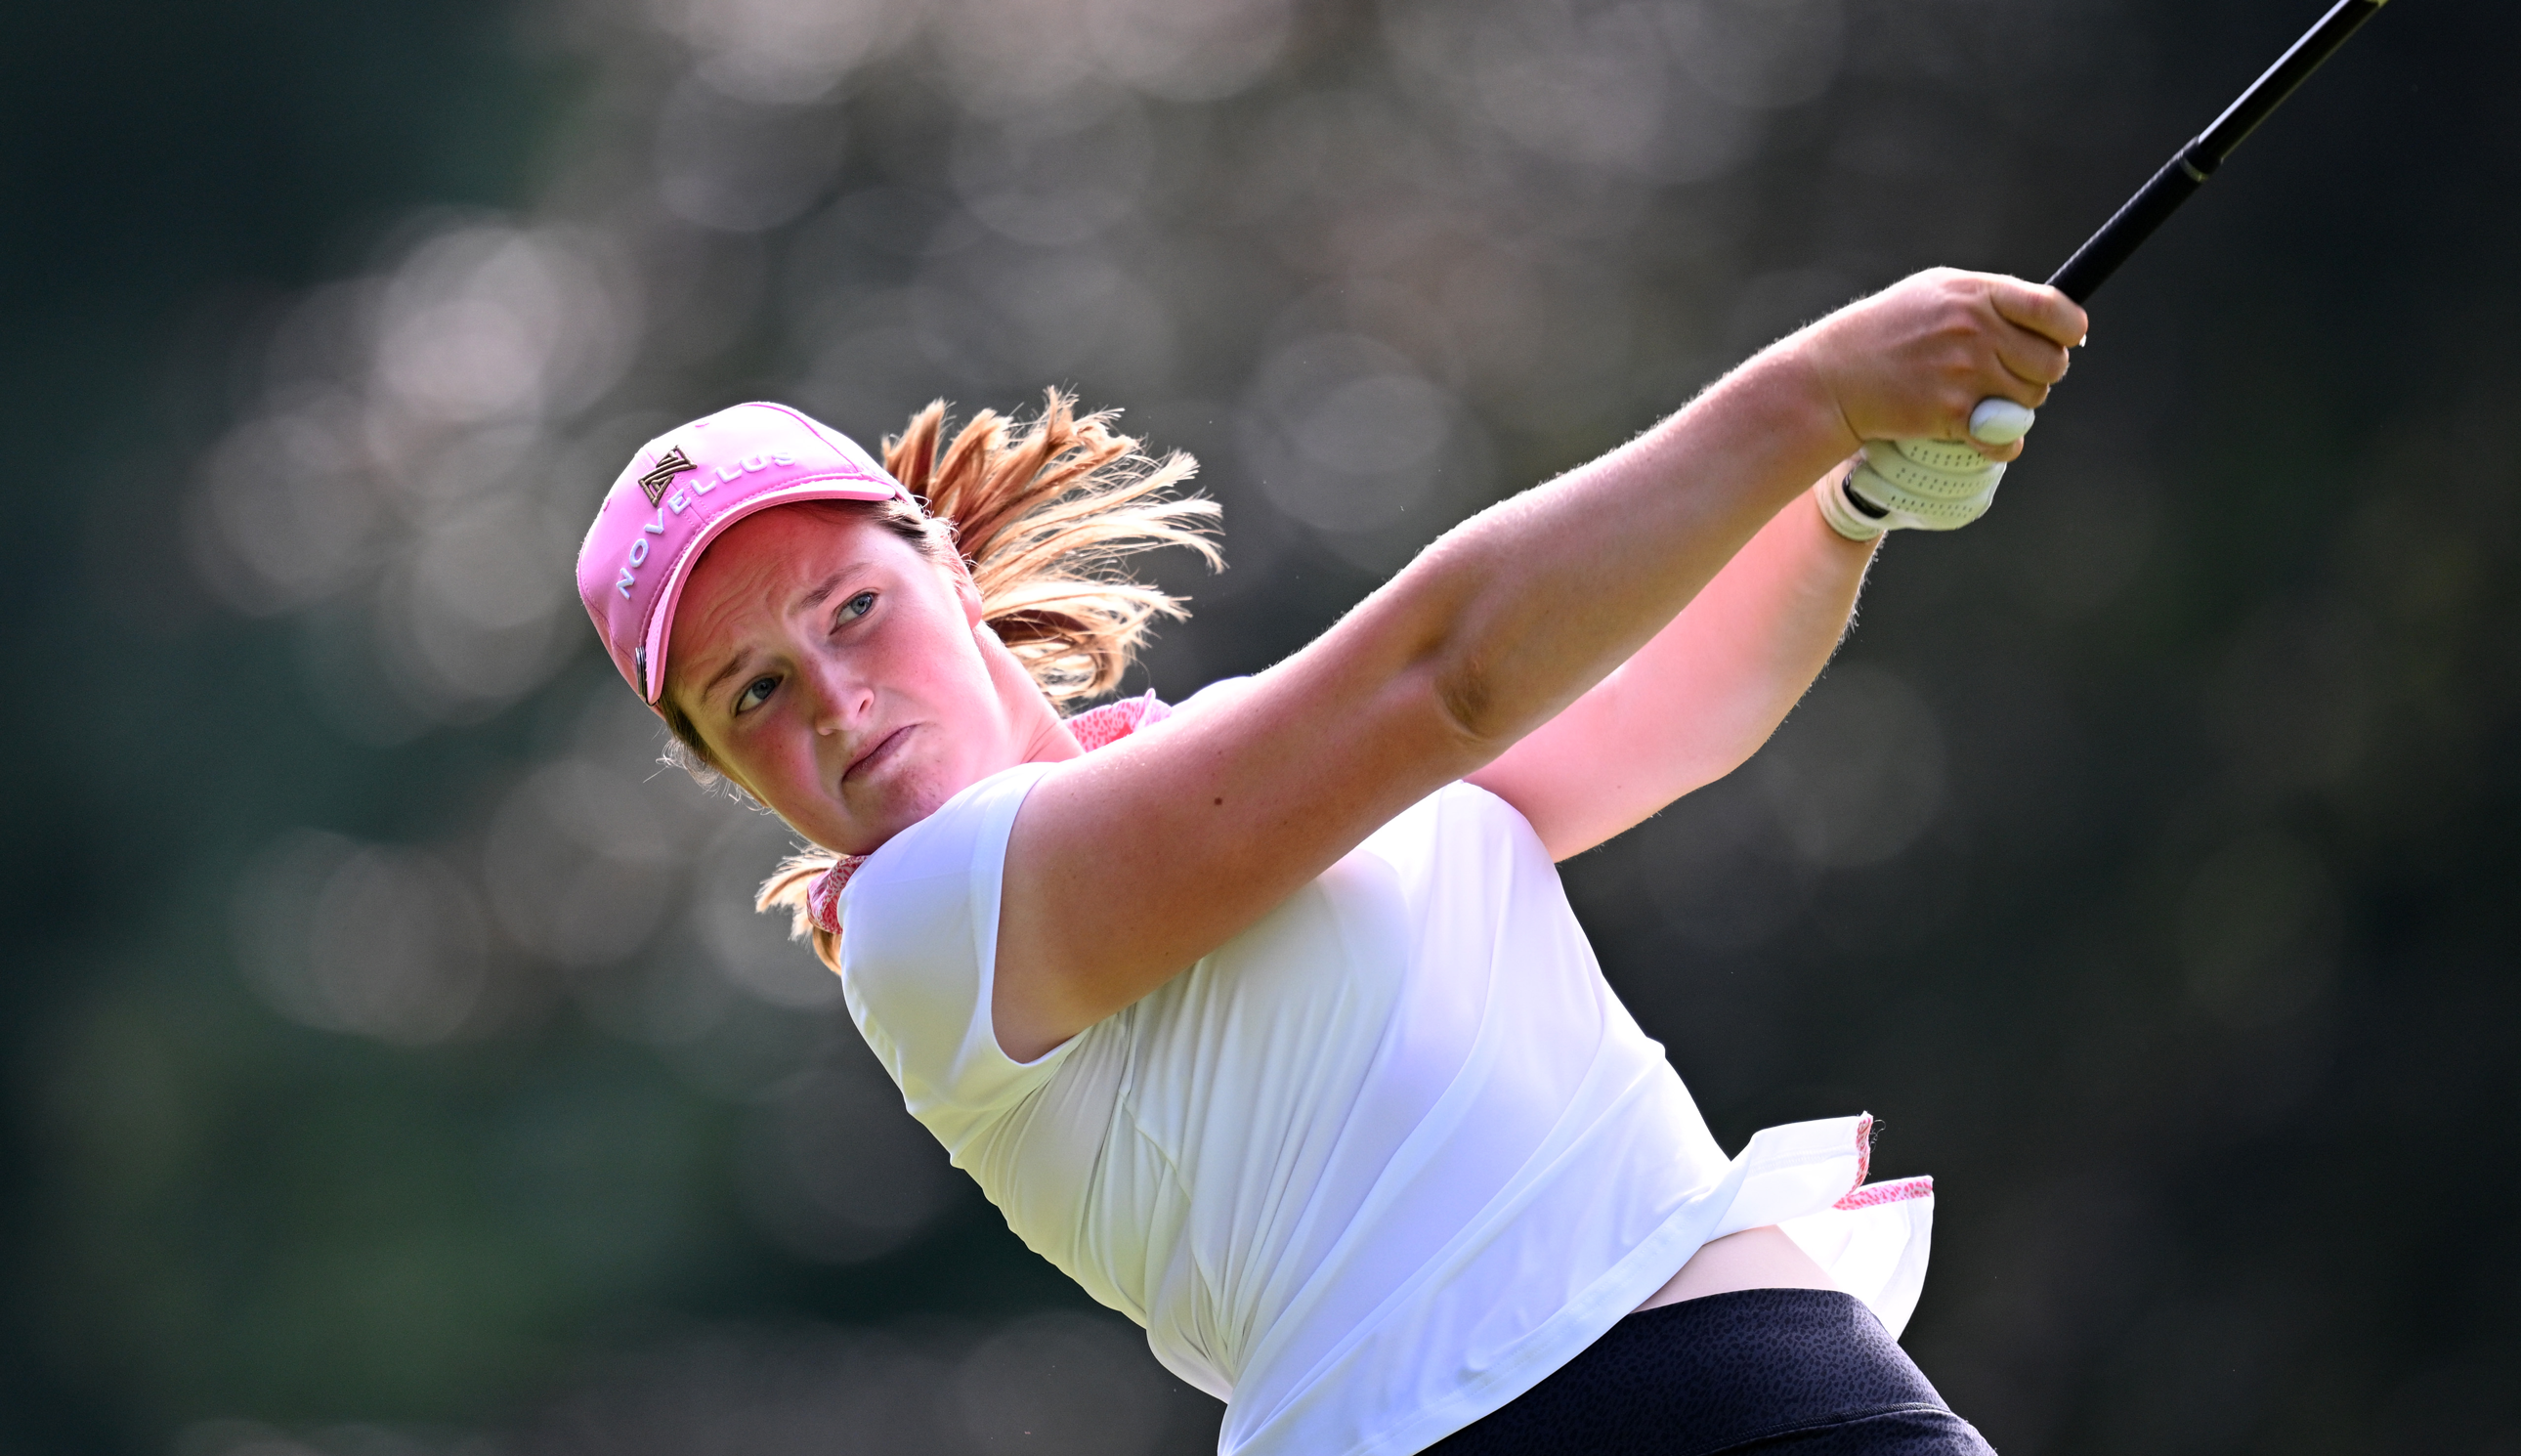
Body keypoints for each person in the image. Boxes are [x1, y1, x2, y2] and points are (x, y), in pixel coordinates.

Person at [573, 268, 2086, 1455]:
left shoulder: (1251, 754)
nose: (835, 704)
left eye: (849, 608)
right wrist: (1814, 392)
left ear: (944, 568)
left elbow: (1660, 717)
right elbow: (1450, 677)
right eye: (754, 695)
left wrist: (1847, 503)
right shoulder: (925, 921)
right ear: (726, 771)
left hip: (1739, 1381)